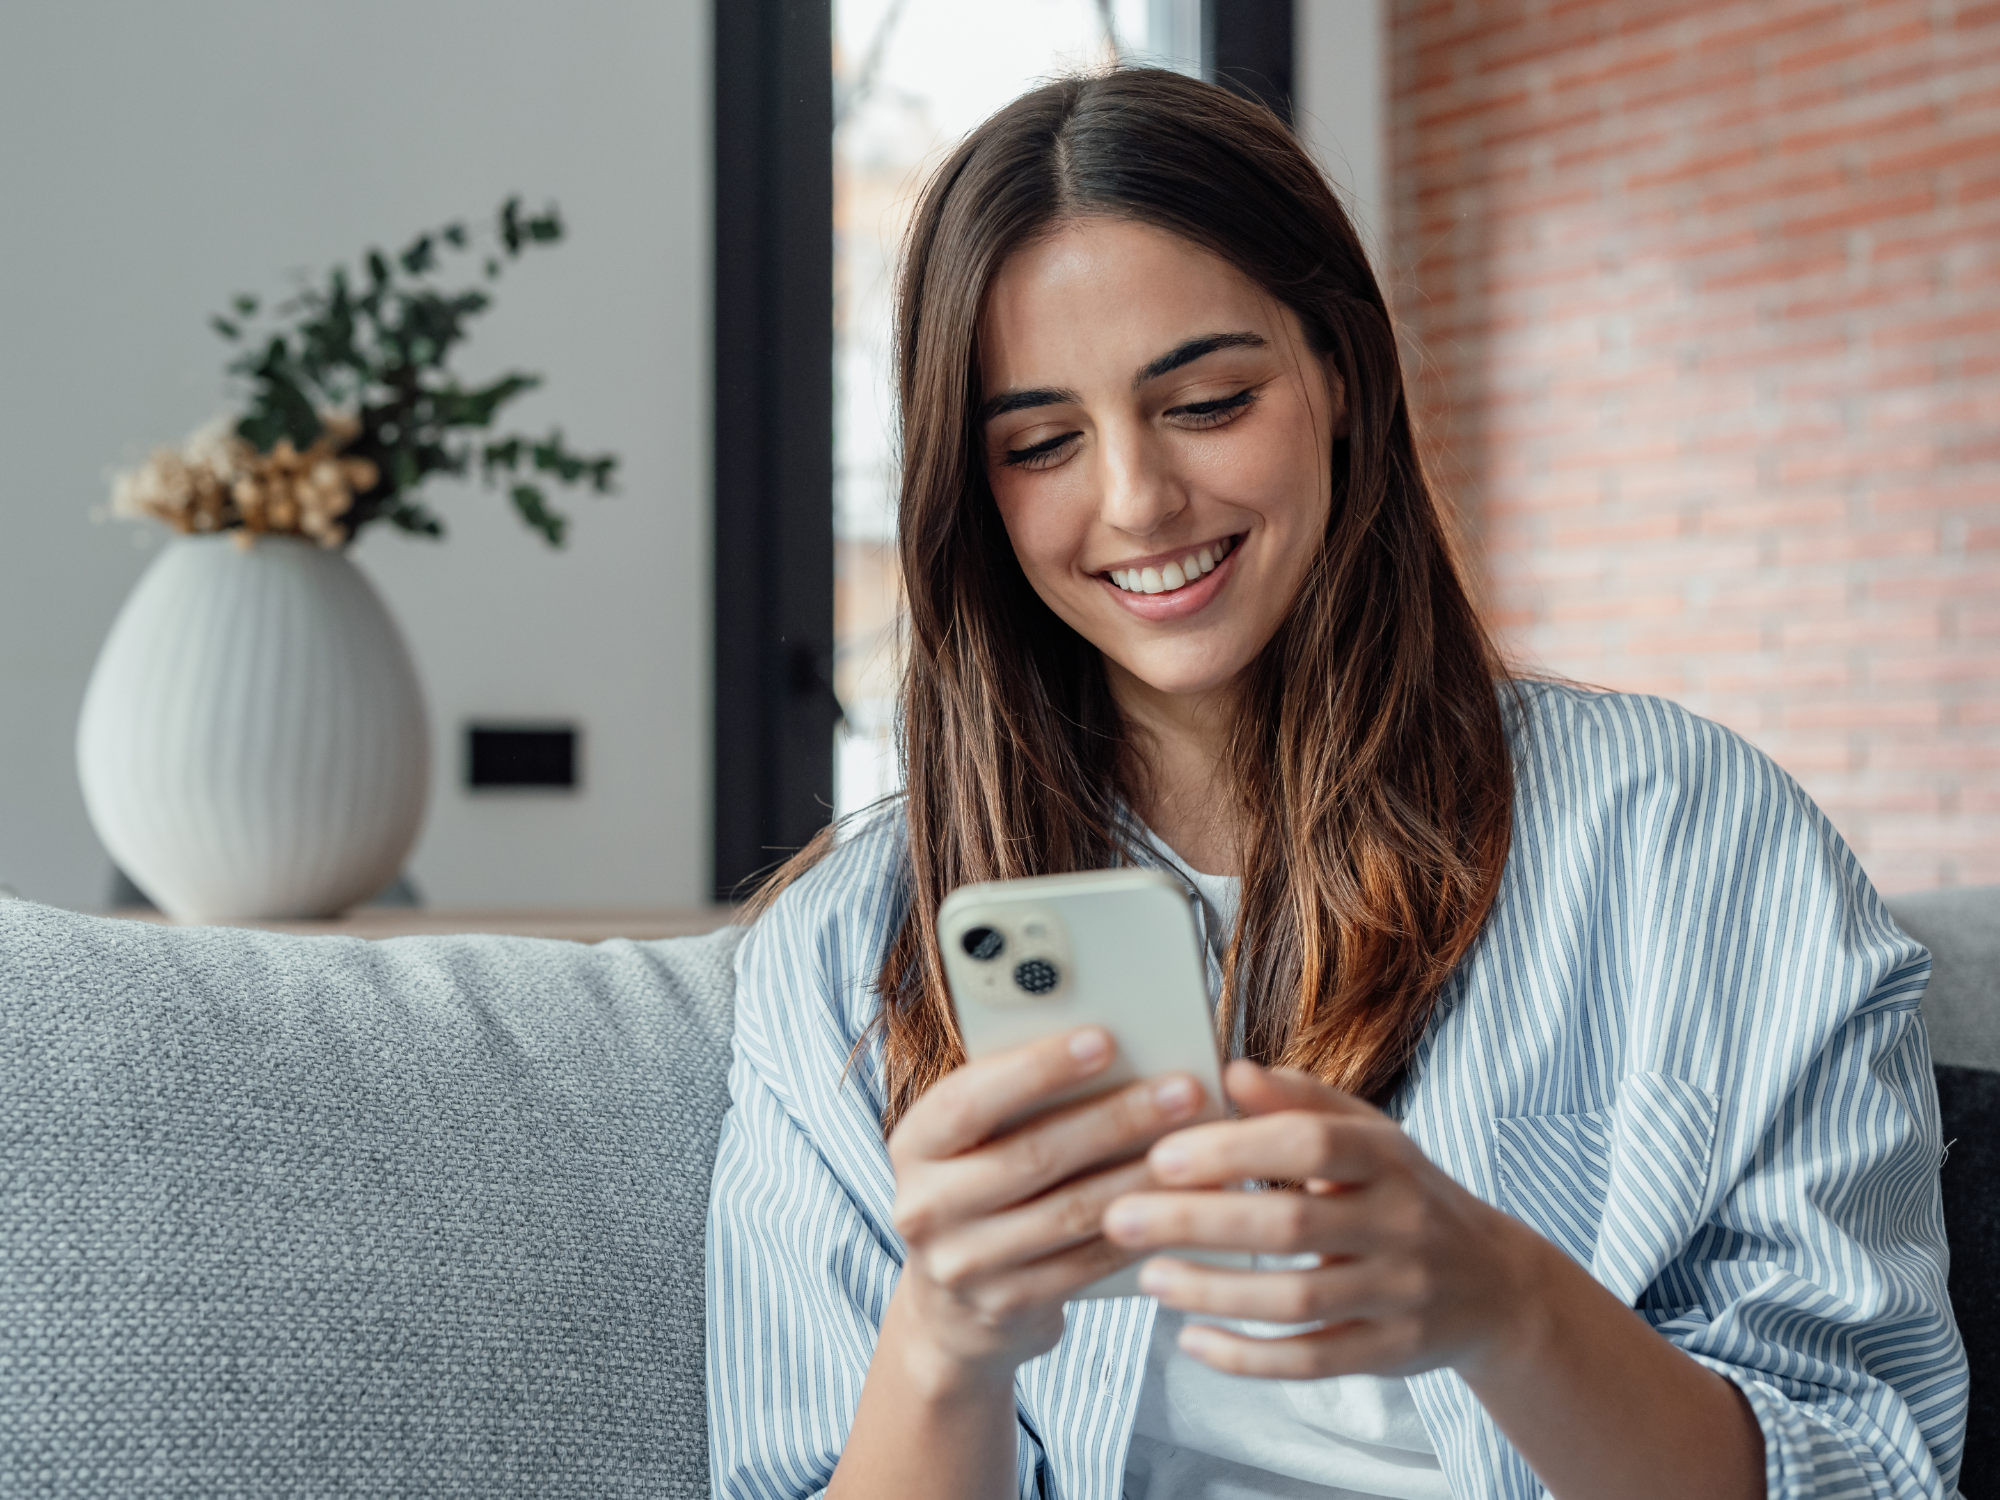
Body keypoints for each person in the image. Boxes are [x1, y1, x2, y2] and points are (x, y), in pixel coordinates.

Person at [705, 68, 1966, 1500]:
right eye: (1041, 443)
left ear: (1344, 379)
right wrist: (947, 1338)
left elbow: (1870, 1467)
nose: (1135, 501)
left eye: (1207, 399)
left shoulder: (1689, 840)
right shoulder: (841, 964)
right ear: (971, 494)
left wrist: (1506, 1302)